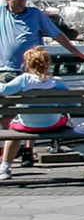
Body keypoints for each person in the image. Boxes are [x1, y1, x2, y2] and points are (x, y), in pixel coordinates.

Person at [0, 47, 69, 178]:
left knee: (12, 132)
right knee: (66, 118)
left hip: (27, 126)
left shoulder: (23, 80)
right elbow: (73, 103)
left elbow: (4, 90)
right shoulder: (56, 82)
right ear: (48, 64)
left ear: (27, 64)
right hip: (53, 125)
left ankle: (5, 168)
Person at [1, 0, 84, 74]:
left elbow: (57, 35)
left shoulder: (36, 14)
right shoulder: (2, 13)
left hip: (31, 71)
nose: (21, 1)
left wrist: (77, 53)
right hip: (6, 70)